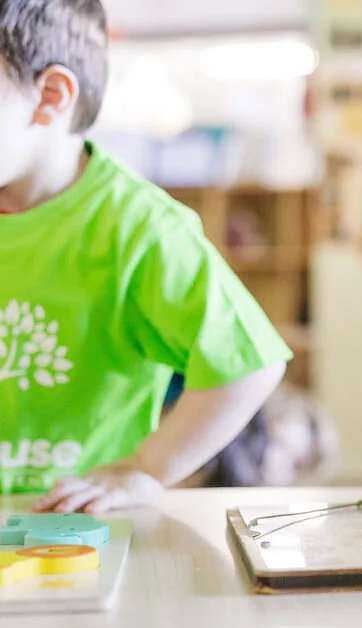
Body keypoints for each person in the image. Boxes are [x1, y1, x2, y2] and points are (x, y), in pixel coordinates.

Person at [0, 0, 292, 513]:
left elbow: (249, 365)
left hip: (70, 522)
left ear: (49, 97)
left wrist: (145, 469)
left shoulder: (140, 227)